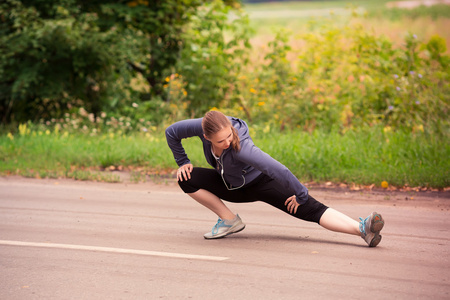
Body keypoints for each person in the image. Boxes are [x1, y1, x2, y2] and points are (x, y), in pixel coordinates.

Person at [165, 110, 384, 247]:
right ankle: (229, 221)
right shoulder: (203, 126)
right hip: (231, 185)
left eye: (229, 135)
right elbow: (171, 132)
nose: (227, 142)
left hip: (262, 184)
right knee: (187, 177)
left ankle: (362, 229)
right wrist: (183, 161)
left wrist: (300, 194)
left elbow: (277, 169)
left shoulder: (242, 149)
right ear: (206, 136)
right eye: (220, 141)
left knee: (310, 209)